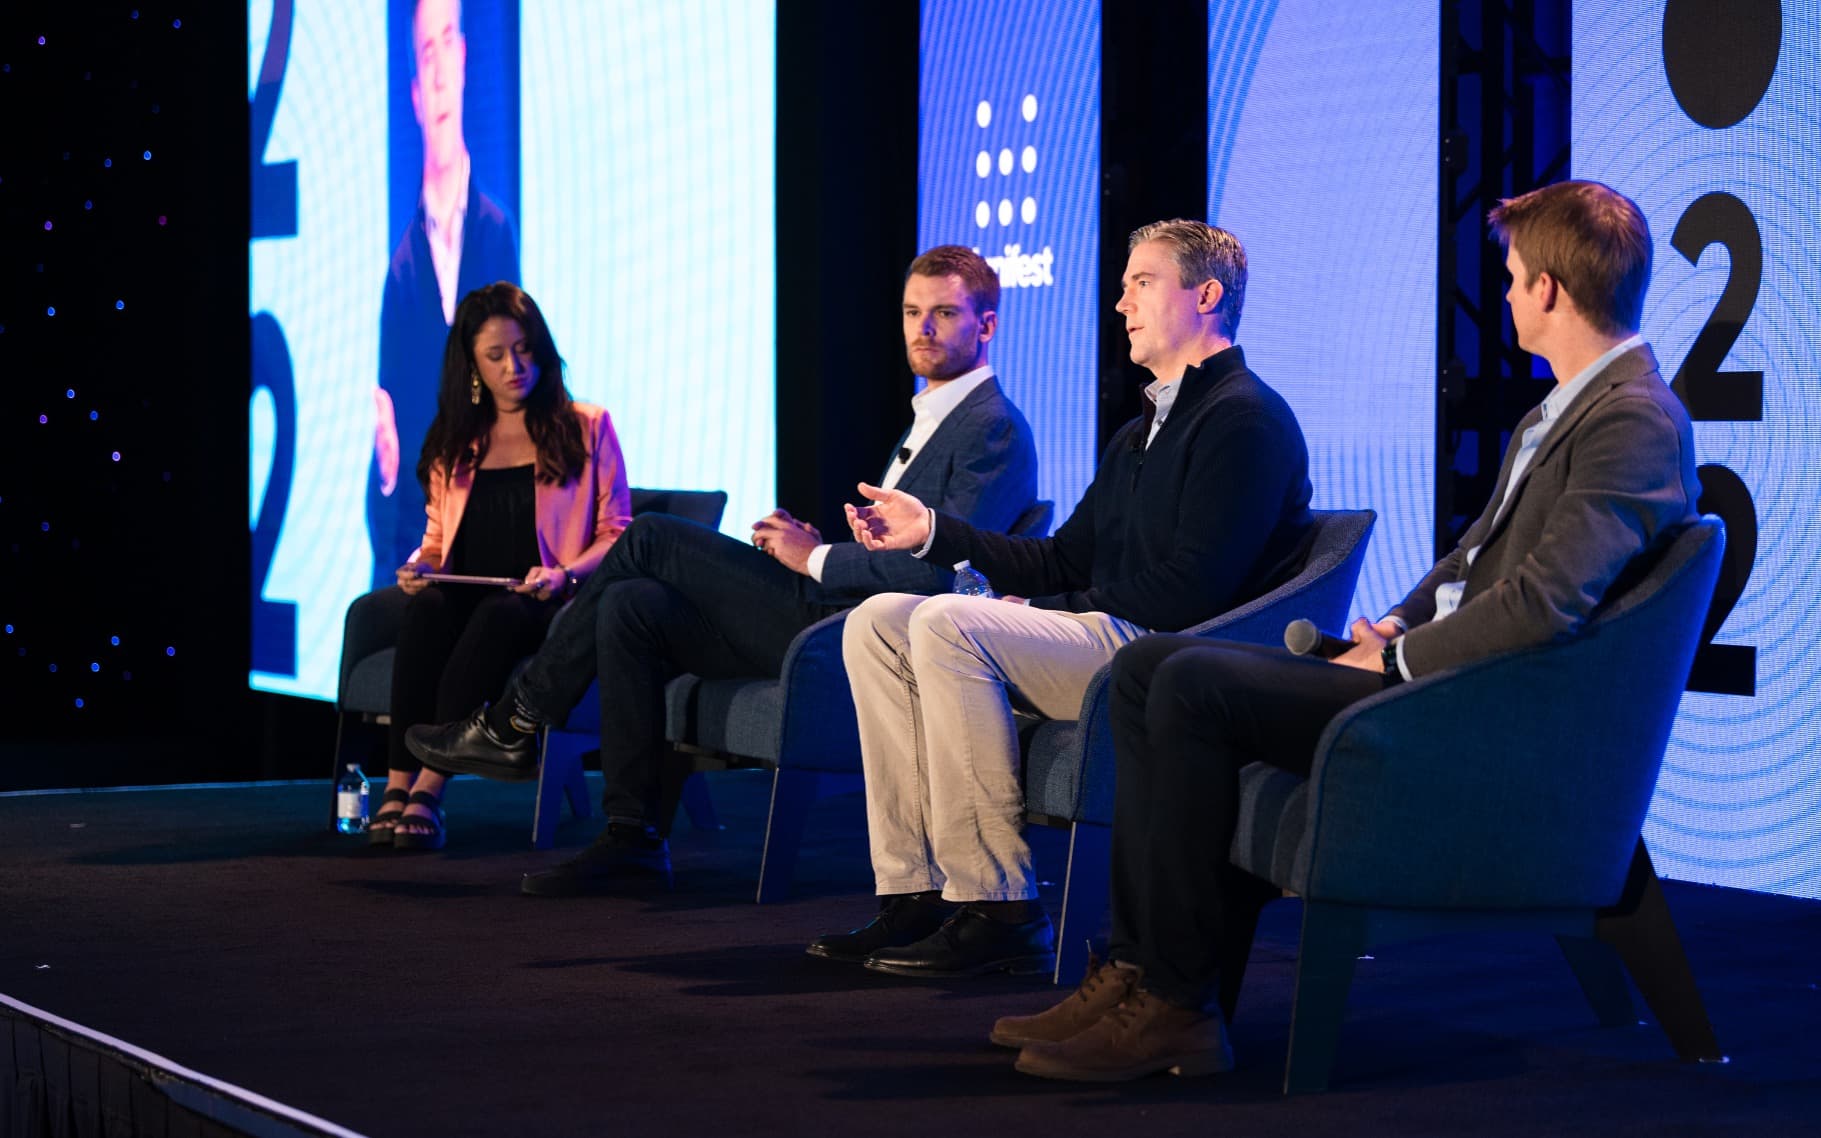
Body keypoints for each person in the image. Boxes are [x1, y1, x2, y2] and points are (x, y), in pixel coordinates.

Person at [997, 180, 1701, 1083]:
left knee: (1183, 680)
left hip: (1474, 712)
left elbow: (1542, 605)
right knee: (1150, 667)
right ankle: (1141, 971)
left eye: (1513, 275)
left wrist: (1399, 658)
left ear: (1550, 293)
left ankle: (1174, 1005)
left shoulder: (1630, 420)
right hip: (1434, 677)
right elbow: (1471, 560)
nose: (1507, 291)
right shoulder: (1559, 409)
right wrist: (1398, 619)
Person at [402, 245, 1040, 891]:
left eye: (944, 313)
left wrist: (814, 558)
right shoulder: (938, 417)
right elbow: (901, 547)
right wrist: (817, 543)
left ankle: (517, 719)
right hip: (833, 608)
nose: (921, 328)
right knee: (632, 606)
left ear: (985, 325)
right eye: (911, 311)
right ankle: (632, 838)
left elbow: (940, 573)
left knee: (649, 538)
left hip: (852, 635)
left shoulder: (990, 429)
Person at [807, 220, 1315, 980]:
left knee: (947, 623)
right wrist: (929, 532)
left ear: (1205, 296)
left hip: (1167, 651)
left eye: (1141, 283)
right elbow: (1058, 556)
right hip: (1110, 631)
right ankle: (915, 890)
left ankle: (1001, 906)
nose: (1120, 304)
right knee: (877, 622)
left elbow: (1190, 590)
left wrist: (1048, 611)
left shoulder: (1242, 418)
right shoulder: (1143, 428)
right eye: (1122, 286)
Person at [373, 282, 631, 850]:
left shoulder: (586, 425)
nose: (514, 367)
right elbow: (437, 540)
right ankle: (394, 784)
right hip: (467, 589)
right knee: (425, 609)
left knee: (499, 614)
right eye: (496, 356)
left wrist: (567, 573)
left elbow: (618, 534)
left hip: (545, 600)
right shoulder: (456, 440)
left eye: (523, 349)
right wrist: (420, 565)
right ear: (472, 366)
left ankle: (429, 791)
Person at [369, 0, 522, 589]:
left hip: (501, 533)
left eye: (447, 46)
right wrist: (385, 471)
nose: (437, 72)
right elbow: (389, 469)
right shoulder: (400, 273)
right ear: (414, 92)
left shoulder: (497, 231)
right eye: (424, 53)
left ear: (464, 60)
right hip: (429, 543)